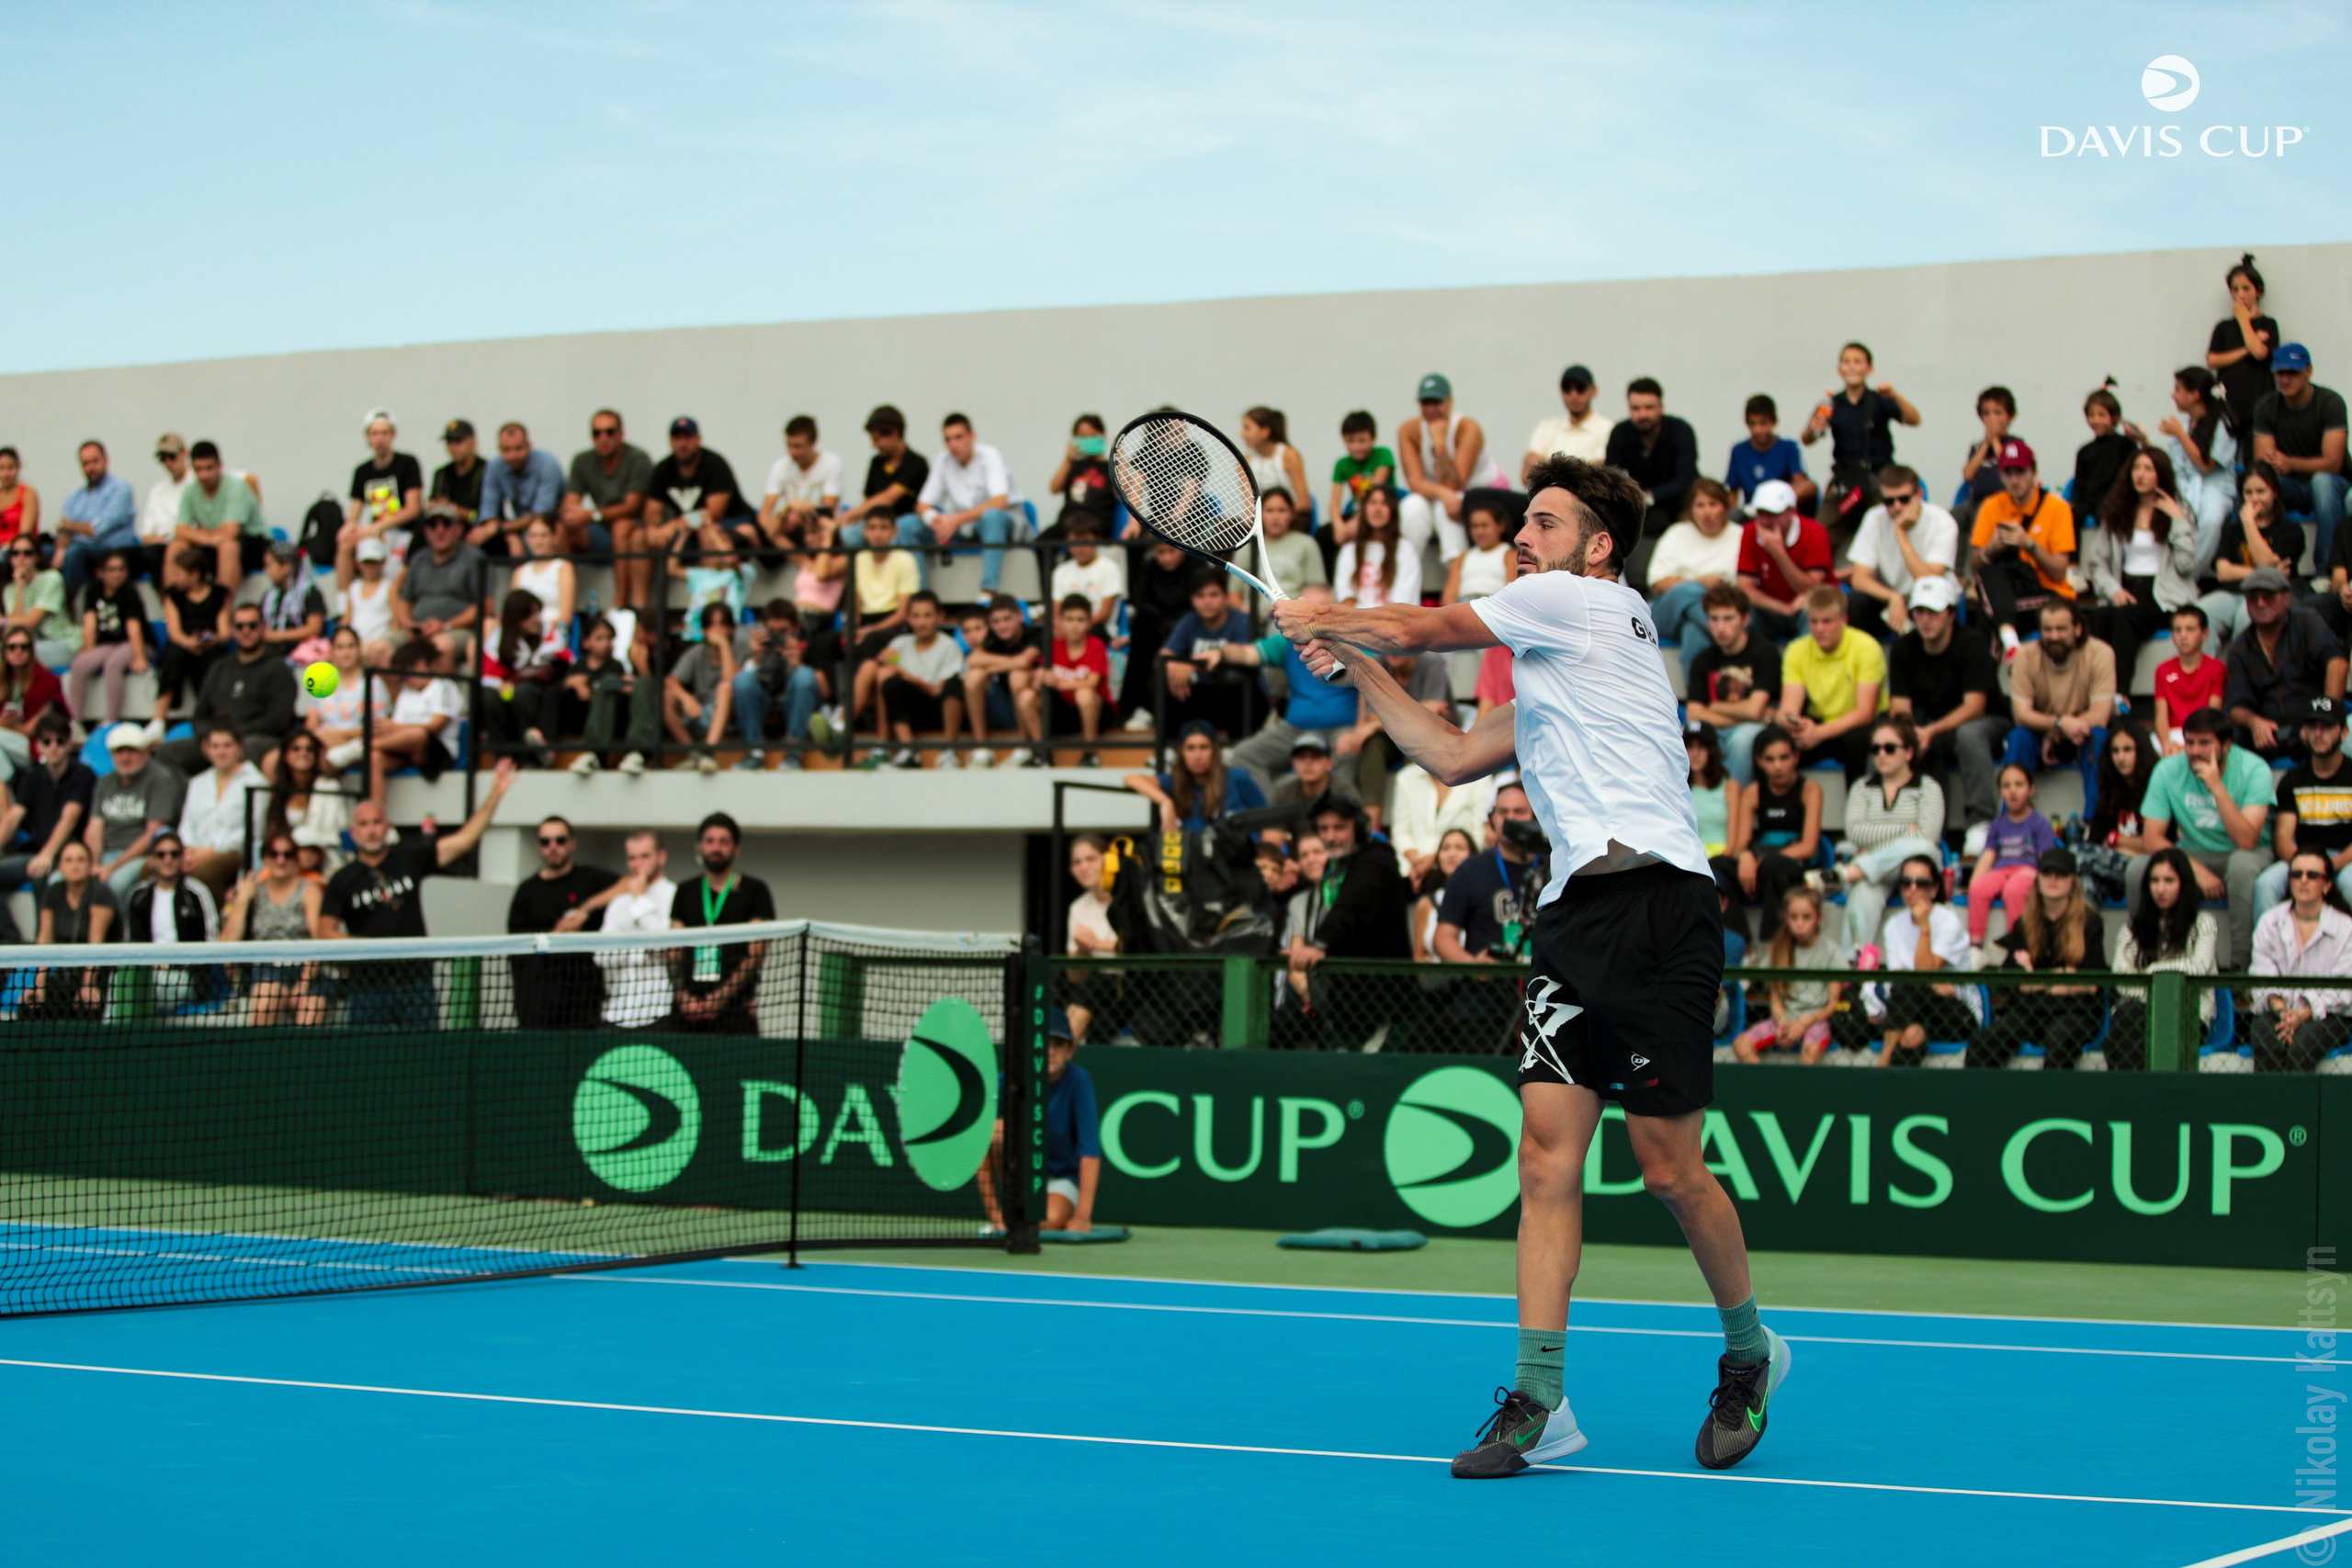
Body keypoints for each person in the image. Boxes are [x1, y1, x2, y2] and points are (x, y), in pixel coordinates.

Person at [1271, 454, 1787, 1477]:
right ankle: (1540, 1399)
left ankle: (1749, 1351)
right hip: (1570, 919)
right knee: (1546, 1161)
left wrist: (1336, 612)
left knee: (1668, 1171)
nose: (1523, 537)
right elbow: (1453, 753)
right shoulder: (1559, 667)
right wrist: (1360, 667)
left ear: (1597, 546)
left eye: (1542, 523)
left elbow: (1425, 628)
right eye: (1521, 526)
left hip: (1657, 907)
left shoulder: (1589, 605)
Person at [320, 760, 517, 1026]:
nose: (371, 829)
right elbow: (325, 932)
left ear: (388, 827)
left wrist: (496, 793)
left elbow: (464, 841)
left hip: (415, 979)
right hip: (368, 986)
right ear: (353, 832)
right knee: (367, 1061)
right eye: (364, 824)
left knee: (423, 1056)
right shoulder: (342, 879)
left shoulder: (409, 858)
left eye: (377, 822)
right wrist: (367, 947)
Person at [2131, 706, 2276, 968]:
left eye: (2205, 743)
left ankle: (2240, 969)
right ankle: (2143, 960)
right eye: (2190, 743)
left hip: (2248, 853)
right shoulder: (2168, 770)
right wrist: (2194, 870)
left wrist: (2216, 788)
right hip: (2194, 853)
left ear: (2227, 745)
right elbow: (2152, 839)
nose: (2195, 751)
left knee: (2241, 865)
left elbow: (2247, 841)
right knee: (2138, 868)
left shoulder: (2255, 769)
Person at [1964, 849, 2105, 1070]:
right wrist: (2061, 977)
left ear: (2073, 881)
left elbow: (2092, 983)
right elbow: (2013, 980)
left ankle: (2051, 1105)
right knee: (1983, 1045)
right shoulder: (2025, 923)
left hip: (2076, 1011)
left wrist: (2035, 979)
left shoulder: (2090, 922)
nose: (2053, 879)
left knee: (2059, 1040)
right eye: (2047, 873)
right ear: (2038, 879)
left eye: (2061, 874)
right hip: (2031, 1010)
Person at [1884, 575, 2004, 830]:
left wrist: (1929, 731)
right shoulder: (1903, 648)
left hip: (1986, 720)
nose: (1926, 619)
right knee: (1887, 735)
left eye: (1934, 612)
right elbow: (1899, 708)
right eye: (1919, 611)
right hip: (1930, 724)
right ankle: (1889, 820)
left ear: (1950, 615)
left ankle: (1981, 822)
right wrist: (1913, 733)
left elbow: (1975, 707)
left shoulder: (1972, 643)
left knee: (1969, 735)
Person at [1823, 716, 1946, 952]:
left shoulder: (1928, 787)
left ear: (1909, 752)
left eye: (1889, 748)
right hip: (1877, 872)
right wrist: (1906, 828)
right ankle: (1852, 970)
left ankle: (1850, 873)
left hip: (1916, 871)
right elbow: (1856, 833)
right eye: (1875, 749)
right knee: (1863, 890)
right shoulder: (1861, 787)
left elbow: (1928, 835)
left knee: (1924, 848)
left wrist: (1875, 845)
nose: (1881, 755)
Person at [978, 1008, 1102, 1235]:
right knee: (995, 1131)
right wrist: (995, 1218)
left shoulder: (1079, 1082)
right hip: (1021, 1179)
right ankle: (1008, 1213)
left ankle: (1018, 1218)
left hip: (1061, 1178)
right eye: (1043, 1044)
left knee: (1051, 1218)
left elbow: (1090, 1153)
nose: (1050, 1052)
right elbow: (979, 1149)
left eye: (1058, 1044)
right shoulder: (1006, 1081)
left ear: (1071, 1050)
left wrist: (1083, 1217)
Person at [2083, 446, 2199, 686]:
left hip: (2162, 594)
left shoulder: (2179, 511)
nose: (2140, 474)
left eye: (2148, 468)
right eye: (2136, 468)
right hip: (2124, 588)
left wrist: (2177, 519)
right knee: (2100, 616)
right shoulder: (2117, 511)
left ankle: (2119, 692)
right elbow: (2096, 564)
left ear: (2161, 475)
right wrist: (2113, 589)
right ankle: (2094, 693)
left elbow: (2187, 565)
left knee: (2124, 618)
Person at [2106, 848, 2218, 1072]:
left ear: (2183, 884)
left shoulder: (2203, 923)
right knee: (2131, 1017)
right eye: (2154, 880)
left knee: (2127, 1028)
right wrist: (2161, 990)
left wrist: (2153, 971)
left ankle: (2132, 1098)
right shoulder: (2132, 928)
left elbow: (2198, 967)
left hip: (2186, 1015)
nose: (2160, 889)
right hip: (2138, 1016)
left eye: (2169, 880)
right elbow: (2121, 977)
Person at [2002, 598, 2115, 818]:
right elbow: (2022, 714)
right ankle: (2010, 823)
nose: (2054, 636)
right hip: (2043, 732)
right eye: (2047, 629)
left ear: (2078, 628)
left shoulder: (2100, 653)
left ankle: (2095, 824)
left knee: (2100, 736)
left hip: (2083, 733)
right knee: (2018, 737)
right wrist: (2058, 725)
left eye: (2061, 629)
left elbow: (2100, 716)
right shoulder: (2026, 655)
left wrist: (2061, 731)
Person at [667, 811, 775, 1035]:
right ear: (699, 846)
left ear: (736, 848)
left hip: (735, 1012)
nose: (716, 848)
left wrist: (720, 998)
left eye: (724, 842)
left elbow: (756, 953)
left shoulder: (755, 891)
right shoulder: (686, 890)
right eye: (709, 841)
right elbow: (674, 950)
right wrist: (683, 997)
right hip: (687, 1011)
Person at [507, 815, 617, 1032]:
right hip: (538, 1007)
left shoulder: (590, 877)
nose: (553, 847)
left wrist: (585, 910)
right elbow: (518, 946)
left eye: (560, 840)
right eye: (546, 842)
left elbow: (629, 884)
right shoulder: (526, 892)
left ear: (572, 843)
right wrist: (556, 933)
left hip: (583, 1006)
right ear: (538, 846)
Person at [2224, 566, 2346, 761]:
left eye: (2268, 596)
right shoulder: (2239, 647)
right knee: (2227, 742)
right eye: (2253, 598)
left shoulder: (2307, 622)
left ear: (2286, 598)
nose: (2261, 603)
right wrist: (2254, 723)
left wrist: (2324, 718)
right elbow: (2236, 707)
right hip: (2268, 734)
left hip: (2313, 722)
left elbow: (2337, 664)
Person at [2249, 849, 2352, 1072]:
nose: (2303, 881)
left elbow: (2344, 991)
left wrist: (2303, 1014)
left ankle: (2295, 1107)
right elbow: (2262, 973)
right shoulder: (2270, 921)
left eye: (2312, 875)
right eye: (2297, 874)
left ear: (2327, 885)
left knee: (2303, 1046)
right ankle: (2265, 1107)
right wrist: (2284, 1012)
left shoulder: (2346, 928)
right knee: (2267, 1043)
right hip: (2277, 1009)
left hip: (2327, 1014)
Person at [1799, 343, 1920, 530]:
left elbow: (1914, 420)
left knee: (1887, 527)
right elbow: (1807, 440)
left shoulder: (1880, 399)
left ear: (1869, 369)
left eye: (1858, 361)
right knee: (1821, 530)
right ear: (1839, 369)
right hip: (1845, 479)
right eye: (1846, 362)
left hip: (1880, 477)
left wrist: (1894, 395)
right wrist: (1812, 428)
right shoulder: (1831, 404)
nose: (1852, 367)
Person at [1871, 852, 1977, 1067]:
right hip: (1912, 1011)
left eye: (1921, 883)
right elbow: (1902, 979)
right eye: (1906, 883)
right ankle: (1902, 1094)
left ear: (1935, 888)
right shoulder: (1893, 925)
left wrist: (1924, 928)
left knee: (1909, 985)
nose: (1913, 889)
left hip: (1956, 1011)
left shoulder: (1948, 921)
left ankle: (1883, 1061)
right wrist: (1932, 984)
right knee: (1912, 1033)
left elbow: (1923, 972)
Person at [1966, 438, 2075, 646]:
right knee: (1988, 571)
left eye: (2021, 472)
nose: (2015, 480)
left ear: (2034, 472)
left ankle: (2006, 646)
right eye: (2009, 473)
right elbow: (1974, 568)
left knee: (1985, 613)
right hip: (2007, 592)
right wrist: (1991, 550)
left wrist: (2029, 544)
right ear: (2001, 475)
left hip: (2048, 594)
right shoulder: (1991, 505)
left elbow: (2059, 572)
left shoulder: (2057, 508)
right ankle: (2009, 644)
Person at [2255, 696, 2352, 922]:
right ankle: (2268, 954)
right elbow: (2283, 839)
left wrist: (2329, 865)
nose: (2318, 733)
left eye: (2327, 727)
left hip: (2346, 861)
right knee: (2266, 883)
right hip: (2303, 858)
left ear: (2344, 733)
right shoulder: (2292, 780)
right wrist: (2306, 867)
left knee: (2350, 883)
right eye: (2313, 727)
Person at [2250, 342, 2346, 570]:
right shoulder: (2266, 406)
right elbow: (2263, 463)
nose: (2285, 379)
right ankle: (2267, 568)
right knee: (2261, 486)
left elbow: (2333, 463)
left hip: (2333, 484)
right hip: (2290, 484)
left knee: (2322, 482)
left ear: (2309, 371)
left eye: (2293, 373)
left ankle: (2326, 570)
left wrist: (2290, 463)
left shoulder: (2330, 403)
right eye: (2280, 373)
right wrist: (2279, 466)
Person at [1728, 886, 1849, 1065]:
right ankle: (1767, 1090)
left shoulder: (1832, 952)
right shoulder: (1778, 949)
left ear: (1819, 918)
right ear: (1786, 917)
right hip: (1783, 1019)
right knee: (1741, 1044)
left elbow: (1832, 1006)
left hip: (1816, 1020)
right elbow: (1776, 998)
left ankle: (1802, 1093)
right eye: (1794, 917)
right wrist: (1783, 1023)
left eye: (1806, 917)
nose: (1800, 924)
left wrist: (1802, 1024)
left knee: (1811, 1050)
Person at [1775, 585, 1885, 779]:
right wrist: (1792, 722)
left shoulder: (1867, 647)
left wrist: (1819, 733)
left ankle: (1855, 805)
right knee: (1771, 740)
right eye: (1814, 621)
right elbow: (1788, 707)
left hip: (1856, 725)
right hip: (1818, 724)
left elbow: (1865, 713)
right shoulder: (1796, 649)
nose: (1819, 629)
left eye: (1827, 621)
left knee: (1857, 738)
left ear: (1844, 620)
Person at [0, 711, 94, 939]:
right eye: (47, 741)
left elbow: (69, 817)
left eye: (60, 741)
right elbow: (14, 816)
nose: (54, 747)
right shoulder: (33, 777)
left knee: (41, 875)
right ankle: (9, 940)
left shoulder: (82, 774)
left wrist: (48, 854)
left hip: (69, 853)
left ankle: (42, 950)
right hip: (37, 853)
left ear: (69, 744)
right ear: (39, 746)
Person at [1396, 373, 1507, 563]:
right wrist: (1443, 494)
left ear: (1449, 402)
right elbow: (1415, 481)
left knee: (1446, 507)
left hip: (1479, 493)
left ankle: (1456, 569)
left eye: (1436, 402)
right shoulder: (1409, 430)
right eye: (1425, 403)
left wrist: (1439, 443)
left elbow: (1454, 483)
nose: (1430, 409)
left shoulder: (1468, 428)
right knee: (1412, 507)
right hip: (1441, 494)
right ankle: (1405, 569)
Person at [1724, 724, 1820, 942]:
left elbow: (1809, 846)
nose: (1778, 766)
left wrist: (1764, 860)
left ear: (1796, 757)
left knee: (1775, 865)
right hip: (1762, 864)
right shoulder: (1753, 792)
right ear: (1759, 761)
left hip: (1793, 865)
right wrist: (1745, 856)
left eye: (1784, 757)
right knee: (1719, 866)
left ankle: (1772, 948)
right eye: (1770, 759)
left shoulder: (1810, 789)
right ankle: (1742, 945)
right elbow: (1740, 844)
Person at [909, 413, 1023, 594]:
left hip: (1003, 523)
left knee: (992, 517)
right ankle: (921, 597)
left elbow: (1000, 502)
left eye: (959, 437)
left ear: (972, 437)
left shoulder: (990, 455)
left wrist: (954, 520)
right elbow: (922, 505)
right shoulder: (943, 461)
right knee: (908, 525)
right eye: (948, 439)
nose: (953, 444)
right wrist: (936, 521)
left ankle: (988, 592)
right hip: (963, 527)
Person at [218, 830, 323, 1025]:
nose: (281, 860)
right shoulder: (254, 891)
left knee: (311, 1012)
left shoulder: (309, 890)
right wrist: (242, 900)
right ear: (264, 858)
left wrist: (304, 983)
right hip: (266, 969)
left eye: (288, 854)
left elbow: (318, 939)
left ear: (296, 858)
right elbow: (228, 942)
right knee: (265, 1002)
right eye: (274, 854)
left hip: (306, 968)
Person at [1842, 466, 1957, 639]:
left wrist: (1900, 532)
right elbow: (1859, 579)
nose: (1896, 506)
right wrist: (1893, 597)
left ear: (1919, 495)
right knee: (1856, 602)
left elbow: (1929, 579)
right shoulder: (1874, 518)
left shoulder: (1942, 522)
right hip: (1890, 598)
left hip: (1931, 597)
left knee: (1927, 607)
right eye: (1889, 501)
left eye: (1904, 499)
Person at [2199, 462, 2305, 644]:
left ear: (2275, 492)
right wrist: (2264, 573)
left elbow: (2265, 564)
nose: (2254, 498)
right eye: (2248, 493)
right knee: (2199, 614)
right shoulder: (2232, 530)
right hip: (2231, 594)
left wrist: (2248, 522)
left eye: (2261, 491)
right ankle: (2206, 672)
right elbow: (2223, 572)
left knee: (2246, 616)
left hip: (2268, 596)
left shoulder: (2291, 531)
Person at [1684, 584, 1779, 786]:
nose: (1720, 627)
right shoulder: (1703, 659)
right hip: (1723, 729)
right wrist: (1748, 713)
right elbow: (1694, 715)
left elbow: (1754, 710)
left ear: (1746, 619)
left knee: (1742, 739)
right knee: (1692, 737)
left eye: (1729, 618)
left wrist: (1714, 706)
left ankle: (1735, 805)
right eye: (1714, 619)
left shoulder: (1764, 652)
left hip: (1749, 732)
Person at [1644, 479, 1744, 666]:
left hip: (1719, 606)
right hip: (1670, 610)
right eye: (1700, 505)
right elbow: (1658, 583)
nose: (1707, 512)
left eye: (1713, 504)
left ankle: (1697, 693)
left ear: (1726, 506)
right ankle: (1721, 630)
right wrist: (1700, 583)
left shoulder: (1740, 535)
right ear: (1691, 509)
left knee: (1693, 633)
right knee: (1688, 590)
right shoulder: (1677, 533)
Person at [862, 590, 963, 769]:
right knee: (886, 677)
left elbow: (937, 690)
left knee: (953, 686)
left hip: (937, 710)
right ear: (908, 618)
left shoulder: (949, 647)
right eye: (915, 616)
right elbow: (884, 670)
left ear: (940, 617)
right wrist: (883, 661)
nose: (921, 622)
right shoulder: (901, 643)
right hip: (908, 711)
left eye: (927, 616)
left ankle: (949, 750)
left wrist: (905, 674)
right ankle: (907, 749)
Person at [561, 410, 655, 600]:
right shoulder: (582, 460)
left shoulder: (637, 458)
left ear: (621, 434)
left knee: (621, 526)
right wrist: (572, 514)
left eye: (610, 432)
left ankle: (619, 601)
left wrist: (591, 515)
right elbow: (571, 502)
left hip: (633, 528)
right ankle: (562, 600)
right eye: (597, 433)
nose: (603, 438)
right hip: (600, 531)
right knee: (563, 528)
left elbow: (632, 507)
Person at [592, 830, 679, 1030]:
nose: (638, 864)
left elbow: (664, 947)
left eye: (645, 856)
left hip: (659, 1013)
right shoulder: (618, 903)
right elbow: (601, 956)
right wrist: (641, 948)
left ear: (661, 857)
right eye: (632, 858)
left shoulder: (675, 895)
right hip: (617, 1013)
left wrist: (640, 898)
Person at [1966, 763, 2060, 947]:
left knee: (2014, 889)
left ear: (2031, 789)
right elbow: (1987, 857)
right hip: (2002, 871)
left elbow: (2046, 860)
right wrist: (1973, 885)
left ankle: (2018, 944)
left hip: (2028, 872)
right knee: (1978, 887)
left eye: (2019, 784)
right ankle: (1975, 947)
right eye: (2006, 786)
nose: (2012, 791)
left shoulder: (2040, 824)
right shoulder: (1997, 825)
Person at [87, 723, 184, 897]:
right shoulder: (105, 781)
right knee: (61, 880)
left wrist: (112, 866)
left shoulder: (161, 779)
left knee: (115, 883)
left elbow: (154, 832)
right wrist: (94, 864)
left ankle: (122, 926)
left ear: (147, 752)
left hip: (143, 857)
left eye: (132, 751)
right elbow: (95, 827)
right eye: (119, 752)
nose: (125, 758)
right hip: (106, 855)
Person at [1156, 572, 1254, 739]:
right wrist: (1177, 669)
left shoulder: (1241, 620)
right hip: (1202, 694)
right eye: (1200, 596)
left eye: (1213, 595)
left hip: (1234, 699)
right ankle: (1169, 747)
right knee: (1161, 678)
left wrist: (1191, 663)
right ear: (1192, 599)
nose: (1207, 601)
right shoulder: (1190, 620)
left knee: (1232, 678)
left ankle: (1238, 744)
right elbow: (1163, 657)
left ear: (1226, 597)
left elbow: (1242, 656)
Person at [731, 600, 827, 771]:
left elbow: (825, 692)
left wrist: (798, 664)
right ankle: (754, 753)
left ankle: (794, 751)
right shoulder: (756, 646)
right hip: (763, 709)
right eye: (772, 631)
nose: (777, 636)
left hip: (795, 709)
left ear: (796, 627)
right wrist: (755, 658)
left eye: (783, 631)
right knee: (743, 678)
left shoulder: (810, 645)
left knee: (804, 676)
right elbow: (736, 684)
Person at [2158, 366, 2238, 568]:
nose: (2173, 395)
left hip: (2215, 488)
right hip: (2184, 486)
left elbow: (2205, 466)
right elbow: (2174, 464)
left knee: (2211, 520)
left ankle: (2192, 572)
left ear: (2195, 395)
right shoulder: (2185, 426)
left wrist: (2180, 435)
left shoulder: (2222, 424)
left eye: (2178, 389)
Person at [1125, 719, 1267, 832]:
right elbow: (1130, 779)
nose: (1197, 756)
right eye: (1190, 748)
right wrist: (1165, 802)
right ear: (1182, 753)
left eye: (1204, 747)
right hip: (1198, 862)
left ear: (1215, 751)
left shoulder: (1237, 777)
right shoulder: (1177, 782)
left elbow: (1267, 820)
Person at [1733, 479, 1832, 640]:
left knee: (1814, 612)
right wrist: (1783, 608)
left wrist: (1778, 553)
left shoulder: (1815, 532)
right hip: (1772, 609)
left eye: (1772, 515)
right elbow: (1745, 588)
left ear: (1791, 512)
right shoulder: (1750, 531)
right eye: (1760, 514)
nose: (1765, 522)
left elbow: (1811, 588)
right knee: (1741, 616)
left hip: (1809, 606)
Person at [175, 720, 266, 897]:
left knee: (205, 871)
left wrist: (213, 850)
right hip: (196, 851)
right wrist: (188, 851)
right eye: (215, 746)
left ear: (239, 747)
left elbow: (254, 830)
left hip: (235, 852)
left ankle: (216, 921)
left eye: (227, 745)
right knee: (152, 869)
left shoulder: (256, 782)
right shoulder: (197, 782)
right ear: (206, 749)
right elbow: (187, 824)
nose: (221, 751)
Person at [28, 840, 116, 1019]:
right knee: (31, 1008)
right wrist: (39, 986)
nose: (75, 866)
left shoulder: (101, 893)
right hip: (64, 975)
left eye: (81, 860)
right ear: (60, 866)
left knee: (86, 1008)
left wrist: (87, 986)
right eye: (68, 860)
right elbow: (44, 939)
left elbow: (95, 943)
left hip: (98, 975)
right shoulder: (53, 892)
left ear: (90, 865)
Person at [647, 416, 757, 557]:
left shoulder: (715, 464)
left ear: (699, 439)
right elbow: (652, 512)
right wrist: (654, 532)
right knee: (641, 538)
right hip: (688, 529)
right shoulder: (663, 468)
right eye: (677, 438)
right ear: (670, 441)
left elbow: (713, 515)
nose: (682, 443)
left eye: (688, 437)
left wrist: (674, 526)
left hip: (731, 522)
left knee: (707, 532)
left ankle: (712, 578)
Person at [564, 615, 659, 776]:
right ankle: (594, 754)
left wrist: (635, 678)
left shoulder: (616, 665)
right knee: (609, 682)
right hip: (587, 718)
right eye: (600, 638)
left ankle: (639, 753)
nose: (606, 644)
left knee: (614, 681)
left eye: (610, 638)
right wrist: (569, 683)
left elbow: (647, 690)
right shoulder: (578, 665)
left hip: (621, 720)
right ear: (586, 642)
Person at [151, 546, 230, 739]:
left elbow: (225, 632)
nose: (174, 579)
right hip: (182, 642)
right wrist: (189, 642)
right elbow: (174, 631)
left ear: (195, 574)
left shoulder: (220, 594)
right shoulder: (173, 595)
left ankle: (212, 717)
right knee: (173, 656)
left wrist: (210, 639)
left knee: (214, 661)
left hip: (210, 645)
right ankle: (158, 720)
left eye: (178, 574)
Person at [1602, 377, 1698, 534]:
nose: (1643, 414)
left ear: (1661, 407)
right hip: (1638, 507)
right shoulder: (1620, 433)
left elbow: (1686, 478)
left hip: (1676, 504)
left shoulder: (1681, 430)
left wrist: (1649, 497)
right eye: (1636, 408)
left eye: (1649, 407)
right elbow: (1611, 477)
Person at [957, 593, 1044, 768]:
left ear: (1020, 616)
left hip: (1034, 708)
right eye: (996, 621)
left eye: (1007, 619)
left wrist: (993, 666)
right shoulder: (993, 639)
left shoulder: (1036, 634)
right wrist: (1011, 663)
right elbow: (973, 660)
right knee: (974, 676)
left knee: (1017, 675)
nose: (1002, 626)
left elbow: (1025, 661)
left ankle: (1024, 747)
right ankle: (981, 748)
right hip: (1003, 707)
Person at [68, 548, 148, 728]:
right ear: (100, 572)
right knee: (80, 665)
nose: (117, 574)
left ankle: (111, 720)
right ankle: (75, 721)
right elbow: (89, 622)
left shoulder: (130, 591)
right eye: (112, 570)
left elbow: (134, 627)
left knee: (113, 664)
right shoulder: (93, 589)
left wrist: (140, 657)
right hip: (108, 644)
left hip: (136, 643)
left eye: (121, 569)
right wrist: (89, 651)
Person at [395, 508, 488, 660]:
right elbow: (404, 601)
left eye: (446, 524)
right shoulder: (418, 559)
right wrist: (410, 625)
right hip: (418, 630)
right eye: (433, 525)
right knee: (378, 650)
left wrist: (446, 626)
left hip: (456, 630)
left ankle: (443, 684)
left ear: (459, 529)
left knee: (438, 647)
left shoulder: (474, 559)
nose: (440, 531)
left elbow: (484, 606)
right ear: (426, 531)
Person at [172, 440, 266, 589]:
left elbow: (231, 531)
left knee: (228, 546)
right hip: (213, 544)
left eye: (209, 468)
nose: (204, 475)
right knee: (176, 546)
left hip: (252, 545)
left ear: (220, 465)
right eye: (199, 469)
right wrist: (207, 539)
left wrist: (199, 535)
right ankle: (173, 607)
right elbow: (180, 530)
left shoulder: (236, 487)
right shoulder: (190, 490)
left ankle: (224, 608)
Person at [1389, 758, 1496, 885]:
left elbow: (1478, 833)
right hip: (1412, 870)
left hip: (1461, 867)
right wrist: (1418, 864)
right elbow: (1400, 832)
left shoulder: (1479, 776)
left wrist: (1435, 859)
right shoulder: (1406, 777)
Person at [53, 441, 139, 596]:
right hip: (81, 548)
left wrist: (67, 527)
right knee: (36, 553)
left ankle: (67, 606)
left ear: (106, 460)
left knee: (76, 553)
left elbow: (97, 529)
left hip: (111, 550)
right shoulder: (75, 498)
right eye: (85, 463)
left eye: (95, 461)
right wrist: (60, 548)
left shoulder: (120, 489)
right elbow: (63, 531)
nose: (90, 467)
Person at [2208, 254, 2279, 440]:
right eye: (2235, 289)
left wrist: (2243, 320)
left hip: (2258, 403)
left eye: (2246, 288)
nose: (2240, 295)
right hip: (2229, 404)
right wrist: (2246, 349)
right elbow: (2213, 360)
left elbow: (2260, 352)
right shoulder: (2223, 327)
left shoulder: (2268, 324)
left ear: (2258, 291)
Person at [662, 602, 738, 774]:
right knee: (666, 696)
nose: (717, 630)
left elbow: (731, 681)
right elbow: (671, 680)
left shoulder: (739, 648)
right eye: (712, 624)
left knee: (725, 689)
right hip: (699, 712)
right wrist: (686, 698)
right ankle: (694, 755)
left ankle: (708, 753)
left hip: (729, 716)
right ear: (704, 630)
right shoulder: (697, 652)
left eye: (723, 624)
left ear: (732, 628)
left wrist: (724, 646)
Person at [264, 728, 352, 878]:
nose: (303, 753)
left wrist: (309, 851)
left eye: (309, 749)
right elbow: (273, 834)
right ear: (285, 755)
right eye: (296, 749)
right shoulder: (278, 792)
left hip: (321, 857)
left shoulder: (328, 787)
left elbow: (333, 834)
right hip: (285, 859)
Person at [475, 423, 568, 558]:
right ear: (499, 449)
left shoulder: (548, 463)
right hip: (518, 527)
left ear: (529, 446)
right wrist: (510, 536)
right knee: (476, 538)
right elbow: (489, 514)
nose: (513, 455)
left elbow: (540, 515)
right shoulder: (494, 466)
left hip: (551, 524)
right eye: (507, 450)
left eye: (518, 448)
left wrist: (499, 529)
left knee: (549, 534)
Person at [839, 405, 930, 538]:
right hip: (877, 526)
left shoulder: (916, 462)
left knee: (902, 529)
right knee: (847, 536)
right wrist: (846, 522)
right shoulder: (876, 462)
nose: (873, 445)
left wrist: (848, 515)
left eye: (877, 439)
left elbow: (888, 498)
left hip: (906, 527)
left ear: (895, 433)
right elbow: (869, 500)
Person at [1043, 592, 1109, 765]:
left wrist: (1057, 684)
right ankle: (1040, 752)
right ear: (1061, 622)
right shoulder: (1053, 647)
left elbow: (1092, 682)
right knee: (1027, 696)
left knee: (1084, 694)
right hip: (1064, 710)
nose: (1074, 625)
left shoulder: (1096, 645)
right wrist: (1040, 678)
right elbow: (1041, 677)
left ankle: (1090, 752)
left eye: (1080, 620)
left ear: (1089, 623)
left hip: (1098, 711)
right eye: (1069, 619)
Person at [345, 410, 424, 554]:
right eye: (375, 433)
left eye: (385, 433)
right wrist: (349, 529)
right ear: (367, 436)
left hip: (405, 532)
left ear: (393, 435)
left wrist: (380, 526)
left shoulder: (408, 463)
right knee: (346, 543)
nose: (380, 439)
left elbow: (413, 508)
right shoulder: (362, 471)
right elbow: (354, 514)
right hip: (376, 534)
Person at [2153, 603, 2225, 754]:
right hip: (2172, 734)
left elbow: (2213, 714)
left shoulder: (2217, 668)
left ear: (2205, 634)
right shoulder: (2162, 669)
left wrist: (2191, 746)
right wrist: (2167, 745)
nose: (2183, 635)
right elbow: (2161, 716)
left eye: (2190, 629)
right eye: (2177, 630)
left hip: (2203, 733)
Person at [1722, 394, 1814, 513]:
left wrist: (1777, 502)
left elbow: (1800, 482)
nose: (1758, 429)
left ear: (1774, 422)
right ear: (1746, 423)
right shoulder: (1738, 450)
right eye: (1752, 424)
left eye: (1763, 423)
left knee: (1811, 487)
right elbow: (1732, 491)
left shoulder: (1789, 446)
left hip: (1782, 509)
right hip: (1752, 510)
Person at [1333, 484, 1420, 608]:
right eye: (1372, 503)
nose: (1377, 509)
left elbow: (1401, 606)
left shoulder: (1405, 549)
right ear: (1363, 510)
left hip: (1394, 623)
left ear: (1393, 510)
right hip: (1356, 623)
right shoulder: (1349, 550)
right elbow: (1345, 598)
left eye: (1384, 503)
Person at [2071, 381, 2145, 525]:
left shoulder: (2125, 444)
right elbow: (2079, 485)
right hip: (2088, 502)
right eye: (2091, 415)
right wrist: (2074, 503)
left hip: (2113, 500)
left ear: (2115, 417)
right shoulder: (2084, 451)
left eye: (2102, 415)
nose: (2096, 420)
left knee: (2107, 515)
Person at [0, 628, 67, 786]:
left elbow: (34, 728)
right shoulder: (3, 681)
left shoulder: (46, 681)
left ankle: (5, 781)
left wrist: (4, 726)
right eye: (12, 647)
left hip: (38, 745)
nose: (18, 652)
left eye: (24, 647)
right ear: (4, 651)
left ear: (31, 651)